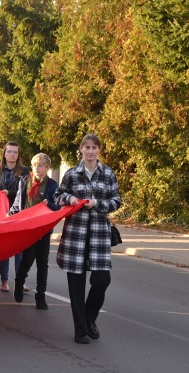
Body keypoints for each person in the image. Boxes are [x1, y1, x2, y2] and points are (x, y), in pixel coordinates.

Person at [56, 134, 122, 344]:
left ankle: (89, 317)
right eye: (87, 147)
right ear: (81, 149)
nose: (91, 151)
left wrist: (97, 204)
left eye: (94, 147)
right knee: (76, 285)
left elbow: (116, 201)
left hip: (98, 237)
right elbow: (58, 196)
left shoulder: (108, 173)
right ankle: (81, 331)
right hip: (76, 235)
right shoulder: (72, 174)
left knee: (102, 280)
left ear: (99, 150)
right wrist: (71, 199)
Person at [11, 153, 59, 310]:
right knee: (28, 259)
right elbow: (19, 202)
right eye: (34, 165)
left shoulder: (52, 185)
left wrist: (49, 204)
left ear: (47, 168)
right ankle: (19, 282)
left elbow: (57, 206)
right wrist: (10, 216)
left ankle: (41, 296)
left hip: (44, 230)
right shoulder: (25, 180)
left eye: (40, 165)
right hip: (28, 228)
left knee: (42, 264)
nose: (37, 168)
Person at [0, 141, 29, 292]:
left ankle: (20, 281)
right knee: (4, 249)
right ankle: (4, 281)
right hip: (0, 214)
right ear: (4, 153)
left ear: (18, 155)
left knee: (19, 250)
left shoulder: (24, 171)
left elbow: (25, 191)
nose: (12, 154)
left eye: (15, 152)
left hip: (18, 213)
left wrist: (9, 193)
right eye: (9, 151)